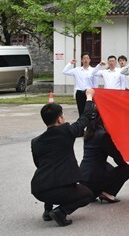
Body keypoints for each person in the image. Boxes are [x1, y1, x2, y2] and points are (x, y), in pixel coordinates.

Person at [31, 88, 97, 226]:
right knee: (87, 194)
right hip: (58, 188)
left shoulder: (35, 142)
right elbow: (85, 118)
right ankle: (60, 212)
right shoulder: (67, 131)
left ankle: (47, 211)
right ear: (60, 119)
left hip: (38, 189)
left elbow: (38, 164)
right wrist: (89, 97)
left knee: (51, 178)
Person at [80, 114, 129, 203]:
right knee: (127, 169)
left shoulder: (89, 133)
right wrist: (123, 165)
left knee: (105, 165)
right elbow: (116, 155)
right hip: (95, 180)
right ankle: (108, 193)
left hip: (83, 178)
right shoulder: (103, 135)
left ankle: (93, 193)